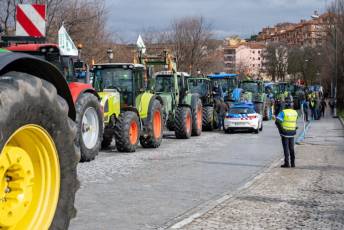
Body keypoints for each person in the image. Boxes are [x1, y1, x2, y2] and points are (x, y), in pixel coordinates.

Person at [275, 100, 298, 168]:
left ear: (286, 106)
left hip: (285, 133)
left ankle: (287, 163)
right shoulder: (295, 112)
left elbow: (277, 121)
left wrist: (281, 130)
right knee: (291, 148)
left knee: (286, 148)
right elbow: (295, 120)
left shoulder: (283, 112)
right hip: (292, 132)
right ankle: (293, 163)